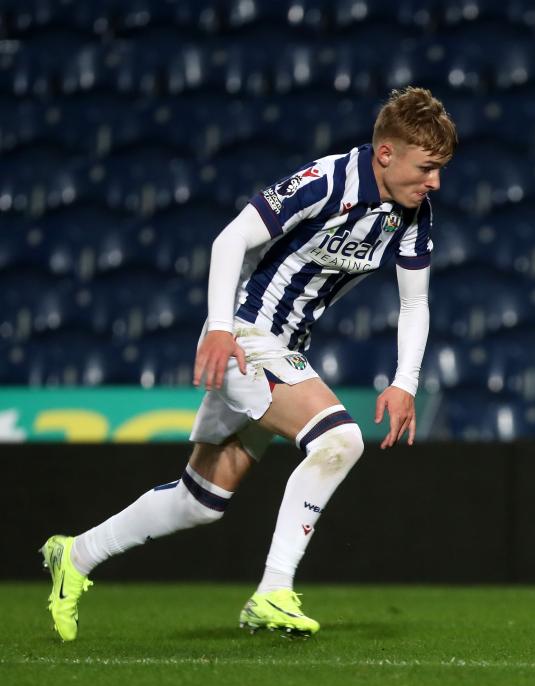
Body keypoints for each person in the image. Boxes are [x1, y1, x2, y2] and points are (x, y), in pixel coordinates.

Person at [40, 86, 457, 641]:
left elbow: (414, 303)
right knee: (340, 439)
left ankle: (76, 554)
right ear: (386, 153)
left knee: (201, 500)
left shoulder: (414, 214)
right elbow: (230, 238)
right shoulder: (326, 180)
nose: (434, 183)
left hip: (283, 349)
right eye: (427, 167)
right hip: (245, 337)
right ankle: (273, 591)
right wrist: (218, 329)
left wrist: (406, 382)